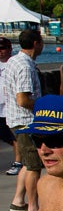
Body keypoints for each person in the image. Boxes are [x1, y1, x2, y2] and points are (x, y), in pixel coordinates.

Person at [4, 29, 44, 211]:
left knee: (27, 164)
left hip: (14, 119)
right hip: (25, 122)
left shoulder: (13, 60)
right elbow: (23, 99)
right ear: (36, 43)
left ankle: (18, 201)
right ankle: (33, 207)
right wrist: (44, 107)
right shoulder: (25, 66)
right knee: (34, 166)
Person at [0, 35, 18, 176]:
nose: (0, 51)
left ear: (9, 49)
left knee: (14, 137)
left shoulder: (14, 63)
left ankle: (18, 162)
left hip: (10, 106)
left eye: (3, 48)